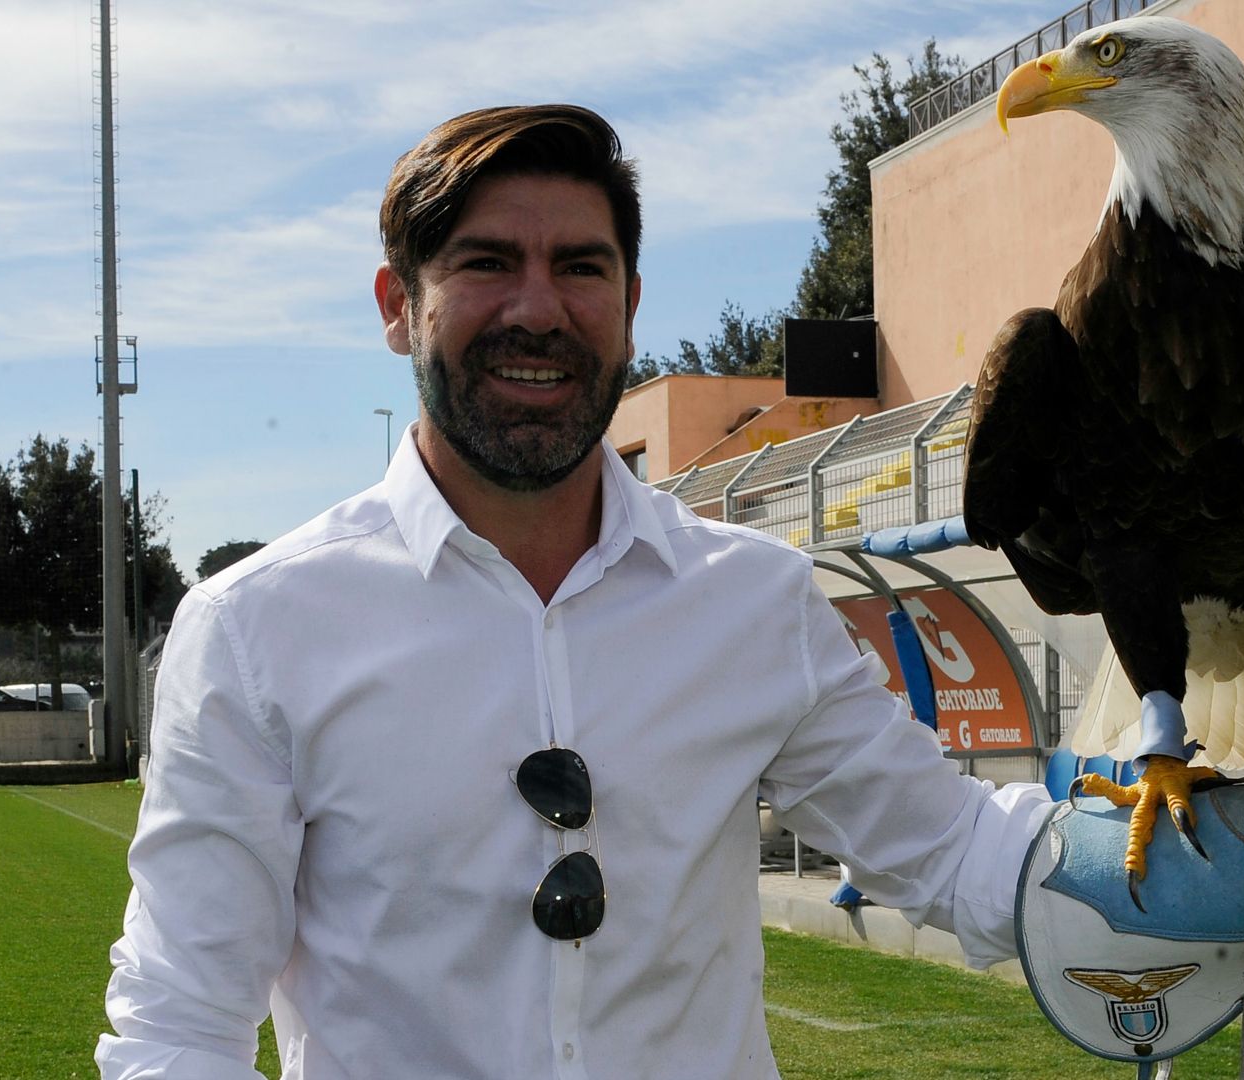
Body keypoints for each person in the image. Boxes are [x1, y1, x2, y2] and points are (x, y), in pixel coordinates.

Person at [96, 103, 1056, 1080]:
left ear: (630, 305)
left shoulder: (755, 598)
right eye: (486, 263)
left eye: (581, 268)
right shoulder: (257, 629)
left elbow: (951, 850)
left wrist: (1129, 861)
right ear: (398, 305)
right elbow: (178, 1026)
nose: (539, 310)